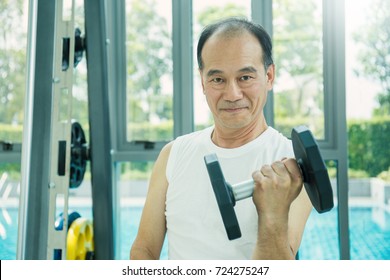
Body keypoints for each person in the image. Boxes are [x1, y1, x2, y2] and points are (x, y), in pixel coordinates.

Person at [130, 17, 312, 260]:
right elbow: (144, 250)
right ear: (203, 81)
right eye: (218, 79)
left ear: (269, 76)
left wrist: (273, 213)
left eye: (245, 78)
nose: (232, 94)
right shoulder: (173, 154)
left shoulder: (296, 167)